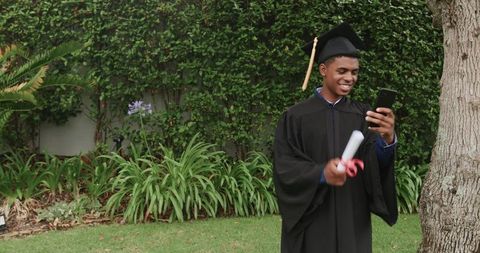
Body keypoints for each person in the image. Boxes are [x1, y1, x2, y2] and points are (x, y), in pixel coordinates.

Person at [273, 22, 398, 253]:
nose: (349, 77)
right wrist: (321, 173)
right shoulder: (295, 117)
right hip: (312, 220)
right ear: (323, 70)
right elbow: (285, 168)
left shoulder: (363, 114)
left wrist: (387, 140)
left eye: (354, 72)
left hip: (353, 215)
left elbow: (374, 164)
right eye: (342, 71)